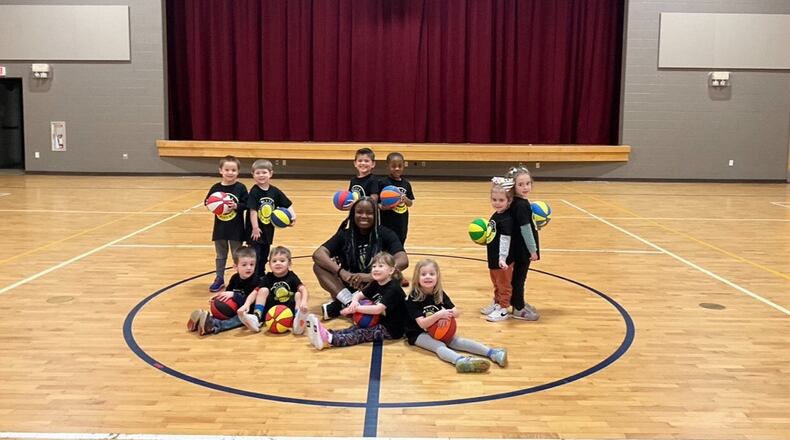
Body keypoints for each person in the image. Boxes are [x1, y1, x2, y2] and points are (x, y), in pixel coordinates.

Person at [312, 197, 408, 320]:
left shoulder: (385, 233)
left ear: (376, 215)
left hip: (375, 284)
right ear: (353, 214)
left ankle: (342, 305)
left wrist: (371, 276)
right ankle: (348, 301)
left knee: (393, 274)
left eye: (369, 213)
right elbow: (318, 254)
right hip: (350, 283)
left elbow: (403, 260)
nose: (364, 216)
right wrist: (342, 273)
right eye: (359, 212)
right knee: (319, 266)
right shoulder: (344, 235)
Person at [404, 259, 507, 373]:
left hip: (438, 329)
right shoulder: (413, 298)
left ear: (437, 276)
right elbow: (422, 323)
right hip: (418, 333)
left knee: (457, 341)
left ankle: (492, 353)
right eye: (423, 274)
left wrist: (446, 315)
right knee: (439, 345)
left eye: (432, 274)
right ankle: (460, 361)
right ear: (416, 278)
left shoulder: (439, 293)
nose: (428, 277)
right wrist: (439, 315)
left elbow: (456, 312)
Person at [306, 252, 407, 349]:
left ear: (391, 271)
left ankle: (330, 339)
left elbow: (378, 309)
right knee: (354, 328)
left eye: (381, 266)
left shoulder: (393, 288)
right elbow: (359, 295)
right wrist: (354, 302)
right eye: (374, 266)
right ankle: (325, 334)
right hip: (380, 321)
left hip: (393, 329)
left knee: (361, 334)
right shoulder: (376, 283)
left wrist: (355, 309)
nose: (376, 269)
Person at [187, 246, 260, 336]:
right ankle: (202, 321)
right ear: (235, 267)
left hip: (247, 312)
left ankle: (214, 325)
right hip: (233, 309)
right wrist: (218, 298)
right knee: (221, 311)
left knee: (236, 320)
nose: (249, 268)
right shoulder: (234, 278)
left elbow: (250, 302)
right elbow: (227, 294)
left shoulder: (256, 281)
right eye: (244, 265)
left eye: (252, 264)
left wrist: (234, 295)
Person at [237, 246, 309, 334]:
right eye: (274, 261)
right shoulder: (268, 277)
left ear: (289, 264)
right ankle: (257, 318)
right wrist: (246, 305)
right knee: (263, 290)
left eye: (282, 261)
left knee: (298, 294)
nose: (278, 263)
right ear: (270, 264)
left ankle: (298, 318)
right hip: (271, 313)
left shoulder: (292, 276)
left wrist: (304, 302)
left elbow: (303, 289)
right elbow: (255, 292)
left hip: (289, 311)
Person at [205, 155, 248, 292]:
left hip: (236, 229)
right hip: (220, 228)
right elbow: (207, 202)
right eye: (227, 169)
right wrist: (212, 205)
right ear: (220, 171)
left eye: (233, 170)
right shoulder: (216, 188)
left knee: (237, 255)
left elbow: (246, 204)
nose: (230, 172)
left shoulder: (240, 188)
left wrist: (236, 206)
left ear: (238, 172)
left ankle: (240, 279)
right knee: (220, 255)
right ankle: (219, 278)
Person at [247, 159, 295, 278]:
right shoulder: (254, 191)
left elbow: (287, 203)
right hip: (256, 231)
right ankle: (254, 276)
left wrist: (293, 216)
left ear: (270, 174)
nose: (261, 175)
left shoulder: (274, 191)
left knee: (264, 254)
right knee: (255, 255)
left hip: (268, 229)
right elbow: (252, 211)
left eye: (264, 172)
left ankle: (261, 274)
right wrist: (255, 227)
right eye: (257, 173)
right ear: (253, 174)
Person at [506, 166, 540, 320]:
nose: (525, 187)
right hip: (522, 249)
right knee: (519, 278)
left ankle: (517, 301)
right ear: (513, 186)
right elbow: (525, 229)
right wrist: (532, 250)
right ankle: (518, 308)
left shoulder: (517, 202)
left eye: (528, 183)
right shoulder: (521, 205)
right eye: (521, 185)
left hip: (517, 247)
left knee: (517, 277)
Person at [480, 184, 514, 322]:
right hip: (493, 257)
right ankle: (497, 303)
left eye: (501, 200)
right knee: (496, 283)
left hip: (503, 260)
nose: (497, 203)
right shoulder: (496, 215)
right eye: (494, 199)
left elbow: (505, 239)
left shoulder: (507, 219)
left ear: (509, 201)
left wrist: (503, 258)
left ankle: (504, 308)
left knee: (504, 284)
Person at [379, 151, 415, 246]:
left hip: (401, 222)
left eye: (400, 166)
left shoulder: (406, 184)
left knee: (399, 244)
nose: (397, 168)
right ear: (387, 166)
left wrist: (405, 199)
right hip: (386, 222)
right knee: (386, 246)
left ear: (404, 166)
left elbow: (410, 203)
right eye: (393, 166)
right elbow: (376, 204)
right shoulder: (383, 183)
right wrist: (385, 207)